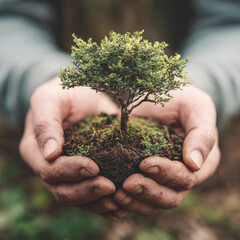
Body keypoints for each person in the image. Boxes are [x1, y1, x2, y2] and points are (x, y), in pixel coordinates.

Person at [1, 0, 239, 220]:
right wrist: (40, 79)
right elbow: (8, 18)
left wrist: (202, 83)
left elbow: (231, 22)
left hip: (178, 101)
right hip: (61, 120)